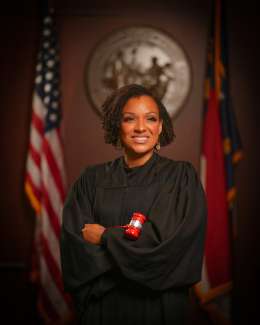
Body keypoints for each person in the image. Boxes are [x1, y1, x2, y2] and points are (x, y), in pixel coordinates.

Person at [60, 84, 207, 325]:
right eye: (129, 119)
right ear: (118, 125)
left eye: (150, 119)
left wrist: (107, 237)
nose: (140, 128)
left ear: (160, 127)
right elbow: (76, 248)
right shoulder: (90, 179)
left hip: (161, 309)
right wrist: (134, 248)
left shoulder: (181, 178)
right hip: (103, 308)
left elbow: (171, 249)